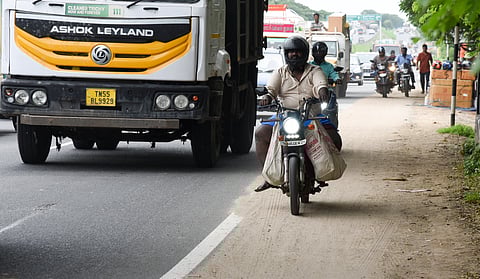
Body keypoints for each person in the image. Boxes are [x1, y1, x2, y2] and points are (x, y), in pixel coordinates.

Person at [254, 35, 329, 192]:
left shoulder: (315, 71)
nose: (294, 55)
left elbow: (321, 83)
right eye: (291, 52)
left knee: (334, 137)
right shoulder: (280, 72)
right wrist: (267, 97)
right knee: (261, 133)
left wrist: (323, 92)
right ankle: (269, 177)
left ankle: (320, 173)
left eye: (298, 52)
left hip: (310, 117)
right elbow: (271, 90)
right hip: (285, 117)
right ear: (286, 54)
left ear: (305, 54)